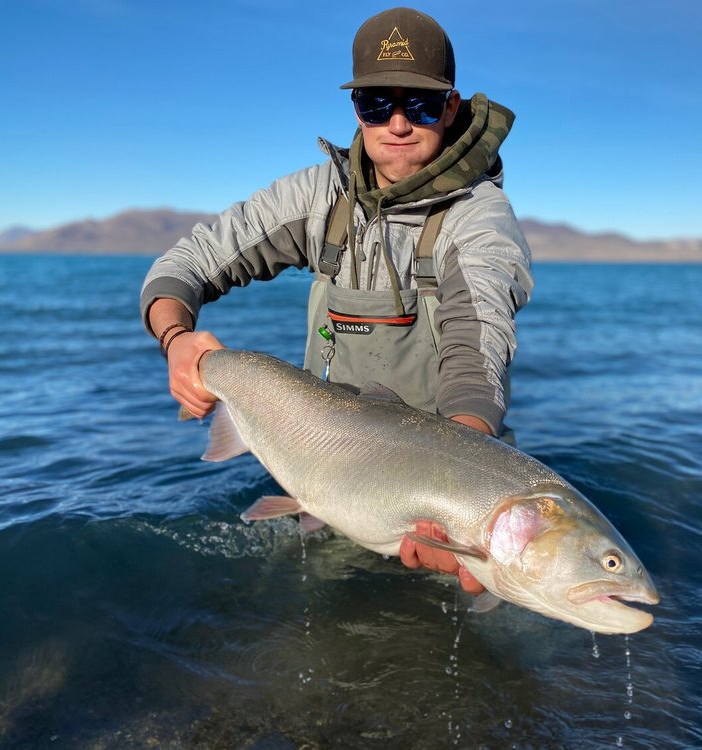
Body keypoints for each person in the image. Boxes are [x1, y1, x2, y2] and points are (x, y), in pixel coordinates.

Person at [140, 7, 533, 594]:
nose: (397, 123)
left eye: (420, 105)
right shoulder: (319, 196)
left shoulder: (479, 221)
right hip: (324, 471)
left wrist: (460, 503)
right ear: (356, 110)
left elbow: (478, 346)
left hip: (441, 502)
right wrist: (176, 340)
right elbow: (186, 264)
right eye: (377, 103)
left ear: (451, 108)